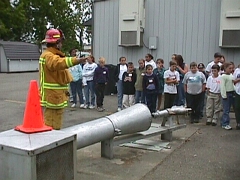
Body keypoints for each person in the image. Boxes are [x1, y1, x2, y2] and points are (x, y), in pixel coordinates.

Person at [39, 28, 86, 130]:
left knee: (55, 122)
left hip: (55, 95)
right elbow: (58, 63)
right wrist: (76, 60)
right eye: (61, 42)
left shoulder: (50, 54)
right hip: (53, 96)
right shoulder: (49, 55)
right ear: (57, 43)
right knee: (51, 126)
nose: (62, 44)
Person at [220, 62, 235, 130]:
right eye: (229, 68)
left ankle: (223, 122)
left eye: (232, 68)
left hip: (232, 93)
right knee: (226, 110)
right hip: (227, 94)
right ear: (225, 68)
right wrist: (224, 95)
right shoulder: (223, 76)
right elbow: (222, 86)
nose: (231, 69)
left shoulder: (231, 75)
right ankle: (225, 123)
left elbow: (233, 84)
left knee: (228, 109)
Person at [233, 64, 240, 130]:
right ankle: (238, 122)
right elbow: (233, 81)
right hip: (238, 92)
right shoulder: (237, 71)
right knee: (237, 107)